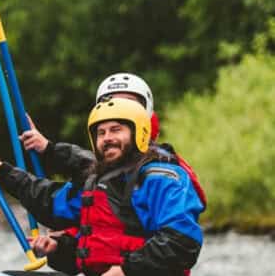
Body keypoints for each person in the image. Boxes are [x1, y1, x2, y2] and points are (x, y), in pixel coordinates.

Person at [0, 97, 204, 276]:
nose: (107, 138)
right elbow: (51, 203)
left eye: (116, 130)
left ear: (139, 133)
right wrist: (60, 247)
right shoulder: (100, 183)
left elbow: (182, 241)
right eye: (101, 133)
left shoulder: (160, 177)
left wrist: (127, 271)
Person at [20, 72, 206, 205]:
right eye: (113, 103)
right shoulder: (108, 150)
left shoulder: (158, 167)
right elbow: (88, 166)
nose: (119, 110)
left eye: (128, 104)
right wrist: (47, 148)